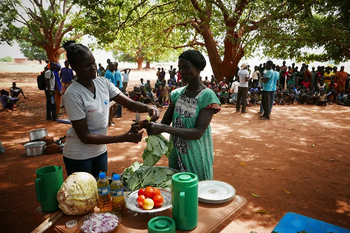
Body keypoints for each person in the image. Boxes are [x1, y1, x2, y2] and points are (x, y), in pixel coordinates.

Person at [61, 41, 159, 178]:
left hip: (100, 152)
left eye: (93, 63)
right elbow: (85, 137)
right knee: (85, 196)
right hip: (79, 156)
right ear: (74, 67)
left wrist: (150, 107)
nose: (93, 68)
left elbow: (130, 104)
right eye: (86, 66)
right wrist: (123, 138)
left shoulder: (102, 83)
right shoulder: (73, 94)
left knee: (102, 192)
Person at [146, 50, 221, 181]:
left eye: (186, 67)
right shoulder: (176, 94)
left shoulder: (207, 96)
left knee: (196, 192)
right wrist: (148, 124)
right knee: (178, 189)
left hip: (196, 156)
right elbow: (164, 123)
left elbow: (198, 132)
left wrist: (164, 129)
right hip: (176, 153)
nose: (182, 72)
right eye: (180, 68)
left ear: (198, 69)